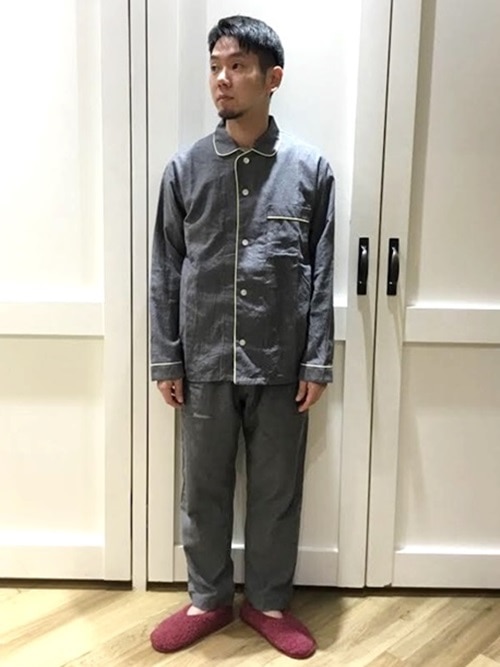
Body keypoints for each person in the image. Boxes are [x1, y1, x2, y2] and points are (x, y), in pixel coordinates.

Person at [149, 15, 334, 660]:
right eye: (215, 67)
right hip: (203, 359)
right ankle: (206, 600)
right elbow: (166, 268)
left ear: (271, 77)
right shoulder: (185, 169)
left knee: (277, 491)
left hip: (282, 361)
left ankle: (269, 603)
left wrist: (316, 360)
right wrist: (166, 357)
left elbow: (322, 270)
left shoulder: (309, 170)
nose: (221, 80)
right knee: (202, 488)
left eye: (237, 67)